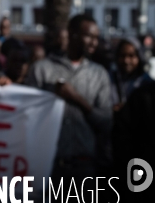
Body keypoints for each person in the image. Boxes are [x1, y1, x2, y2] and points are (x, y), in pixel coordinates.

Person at [25, 14, 112, 193]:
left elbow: (106, 121)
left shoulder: (99, 74)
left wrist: (78, 99)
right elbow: (27, 115)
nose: (94, 43)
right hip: (47, 166)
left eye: (97, 38)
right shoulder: (42, 69)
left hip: (84, 168)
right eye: (89, 36)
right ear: (72, 34)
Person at [109, 37, 153, 111]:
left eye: (131, 56)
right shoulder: (109, 78)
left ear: (139, 57)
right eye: (122, 56)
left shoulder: (146, 82)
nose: (126, 60)